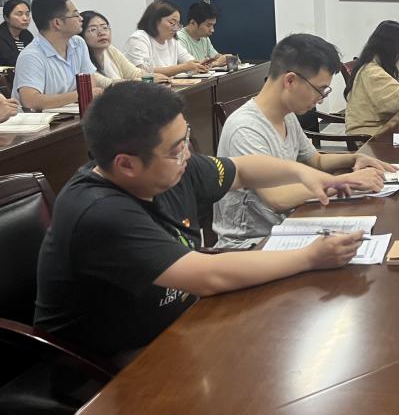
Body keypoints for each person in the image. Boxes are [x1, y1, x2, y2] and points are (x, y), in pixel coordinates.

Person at [33, 81, 367, 364]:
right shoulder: (100, 212)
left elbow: (243, 170)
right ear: (127, 165)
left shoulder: (170, 169)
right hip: (104, 364)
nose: (188, 155)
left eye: (186, 139)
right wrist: (310, 257)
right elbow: (208, 276)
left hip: (176, 326)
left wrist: (306, 174)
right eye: (176, 149)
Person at [215, 33, 394, 248]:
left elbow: (315, 160)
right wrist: (345, 181)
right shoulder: (246, 128)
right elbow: (277, 198)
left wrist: (354, 158)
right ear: (290, 80)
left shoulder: (286, 115)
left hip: (289, 226)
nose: (321, 99)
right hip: (250, 244)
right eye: (320, 90)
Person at [12, 0, 107, 111]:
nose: (81, 18)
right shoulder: (31, 56)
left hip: (72, 115)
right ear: (57, 23)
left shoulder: (78, 43)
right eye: (75, 15)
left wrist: (83, 94)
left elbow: (89, 84)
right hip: (42, 121)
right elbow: (31, 101)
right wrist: (79, 95)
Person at [79, 10, 169, 83]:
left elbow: (134, 73)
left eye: (105, 28)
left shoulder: (110, 50)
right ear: (81, 35)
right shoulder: (80, 59)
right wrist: (144, 80)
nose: (102, 33)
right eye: (93, 29)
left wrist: (156, 77)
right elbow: (107, 84)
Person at [124, 0, 206, 77]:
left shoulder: (172, 41)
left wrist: (200, 66)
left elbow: (189, 61)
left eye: (177, 24)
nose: (175, 28)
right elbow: (143, 72)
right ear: (155, 20)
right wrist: (182, 68)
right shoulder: (138, 39)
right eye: (172, 23)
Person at [177, 1, 227, 67]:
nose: (212, 30)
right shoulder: (179, 38)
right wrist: (216, 63)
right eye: (208, 25)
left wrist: (226, 59)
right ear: (192, 22)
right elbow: (190, 67)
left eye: (213, 25)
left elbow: (216, 56)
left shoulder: (204, 38)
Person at [0, 0, 33, 67]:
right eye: (19, 14)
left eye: (27, 14)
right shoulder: (2, 36)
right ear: (6, 18)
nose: (25, 18)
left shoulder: (27, 35)